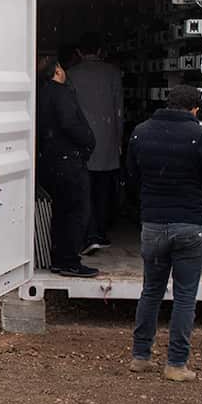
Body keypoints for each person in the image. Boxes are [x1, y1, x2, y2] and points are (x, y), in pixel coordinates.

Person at [125, 84, 202, 382]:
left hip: (153, 224)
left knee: (151, 291)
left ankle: (140, 356)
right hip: (188, 225)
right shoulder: (201, 136)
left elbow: (131, 178)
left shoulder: (140, 132)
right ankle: (176, 364)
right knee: (184, 297)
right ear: (196, 108)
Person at [37, 54, 99, 278]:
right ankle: (70, 261)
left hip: (51, 161)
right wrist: (88, 141)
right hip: (68, 161)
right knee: (76, 211)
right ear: (57, 71)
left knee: (62, 213)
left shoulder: (41, 94)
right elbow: (69, 123)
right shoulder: (61, 93)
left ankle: (59, 259)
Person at [67, 32, 124, 254]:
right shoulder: (113, 73)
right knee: (103, 189)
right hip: (107, 138)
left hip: (82, 139)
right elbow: (119, 109)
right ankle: (100, 231)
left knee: (84, 189)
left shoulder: (72, 74)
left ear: (79, 53)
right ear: (100, 51)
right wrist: (118, 137)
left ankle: (87, 234)